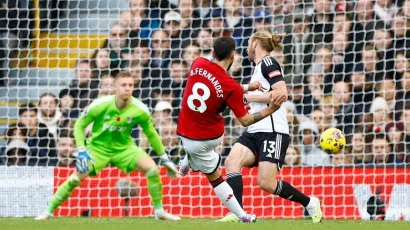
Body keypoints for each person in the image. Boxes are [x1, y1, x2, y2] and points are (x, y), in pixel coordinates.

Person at [35, 71, 180, 221]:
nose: (127, 88)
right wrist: (82, 151)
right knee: (74, 180)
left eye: (130, 85)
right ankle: (48, 212)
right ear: (116, 86)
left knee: (152, 169)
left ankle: (159, 211)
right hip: (97, 149)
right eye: (123, 85)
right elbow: (79, 124)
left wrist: (164, 158)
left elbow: (151, 133)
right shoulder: (100, 104)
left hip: (125, 148)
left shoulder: (140, 109)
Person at [216, 31, 323, 223]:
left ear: (255, 43)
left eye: (248, 43)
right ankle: (238, 213)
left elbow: (281, 93)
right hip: (255, 129)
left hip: (273, 131)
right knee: (232, 161)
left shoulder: (268, 63)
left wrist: (247, 97)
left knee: (266, 183)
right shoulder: (257, 68)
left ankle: (309, 202)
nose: (247, 48)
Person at [177, 36, 282, 223]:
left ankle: (186, 161)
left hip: (183, 128)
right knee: (215, 178)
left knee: (199, 115)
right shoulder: (231, 87)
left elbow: (215, 80)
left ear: (212, 53)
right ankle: (243, 216)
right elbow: (246, 120)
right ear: (233, 56)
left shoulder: (197, 63)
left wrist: (246, 87)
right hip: (206, 139)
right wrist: (270, 109)